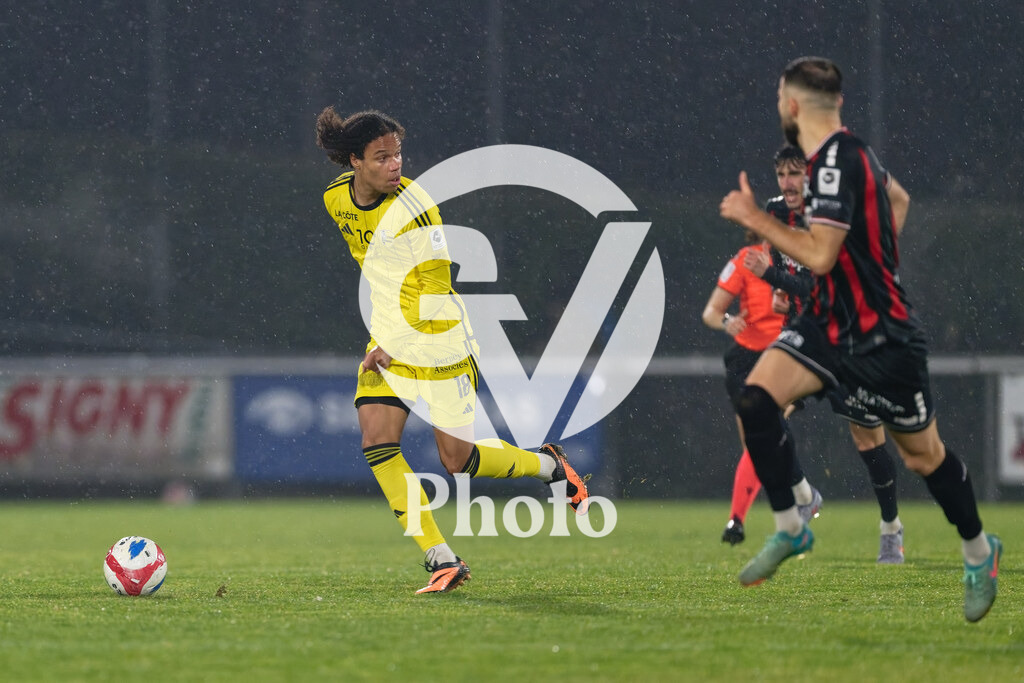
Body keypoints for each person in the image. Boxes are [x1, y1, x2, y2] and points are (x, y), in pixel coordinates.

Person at [719, 57, 1000, 622]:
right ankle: (791, 527)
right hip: (826, 325)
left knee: (925, 458)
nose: (779, 105)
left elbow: (821, 255)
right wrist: (876, 259)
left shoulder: (829, 169)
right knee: (754, 399)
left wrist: (757, 219)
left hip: (884, 338)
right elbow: (899, 200)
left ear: (793, 106)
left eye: (779, 96)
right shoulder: (857, 152)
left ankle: (978, 550)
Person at [314, 107, 590, 594]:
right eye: (382, 157)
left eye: (398, 153)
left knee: (456, 460)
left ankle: (550, 466)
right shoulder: (336, 199)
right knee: (377, 440)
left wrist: (392, 342)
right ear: (354, 161)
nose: (395, 164)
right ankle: (441, 557)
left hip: (440, 338)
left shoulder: (417, 206)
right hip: (389, 339)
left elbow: (436, 290)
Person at [730, 145, 906, 565]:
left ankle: (891, 527)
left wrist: (774, 277)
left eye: (796, 174)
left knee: (867, 439)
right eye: (782, 174)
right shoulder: (775, 210)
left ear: (811, 179)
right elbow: (787, 265)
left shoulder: (830, 215)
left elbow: (822, 284)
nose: (788, 183)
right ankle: (805, 497)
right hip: (804, 334)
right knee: (762, 410)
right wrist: (780, 288)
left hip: (846, 336)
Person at [701, 219, 822, 546]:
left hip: (786, 357)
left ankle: (737, 521)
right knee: (760, 447)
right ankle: (805, 494)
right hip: (747, 362)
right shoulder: (746, 259)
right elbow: (711, 311)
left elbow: (820, 299)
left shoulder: (806, 259)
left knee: (763, 439)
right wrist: (728, 321)